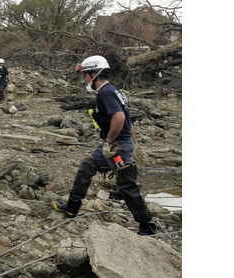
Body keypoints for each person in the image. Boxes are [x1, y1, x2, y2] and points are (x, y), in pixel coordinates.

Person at [52, 55, 156, 236]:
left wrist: (110, 142)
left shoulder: (106, 93)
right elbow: (128, 120)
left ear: (95, 74)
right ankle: (71, 206)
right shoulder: (115, 91)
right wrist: (134, 142)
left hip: (117, 148)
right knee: (86, 166)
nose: (85, 79)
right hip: (115, 145)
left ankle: (147, 226)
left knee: (127, 186)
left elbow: (120, 117)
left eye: (86, 75)